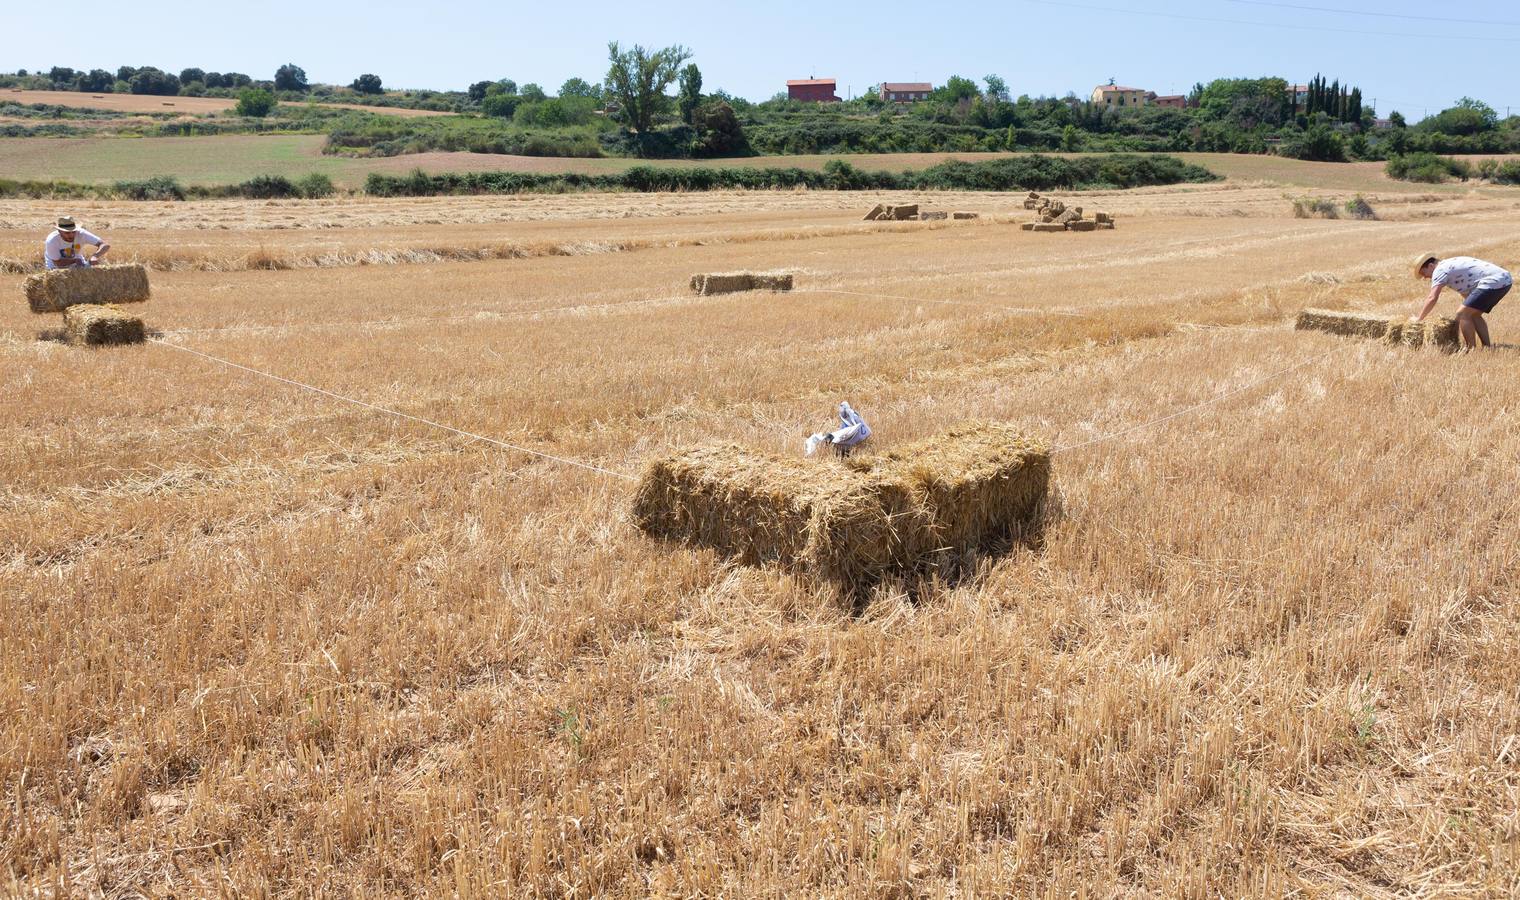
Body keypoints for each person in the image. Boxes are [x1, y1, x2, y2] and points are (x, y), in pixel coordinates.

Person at [1411, 252, 1512, 350]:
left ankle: (1470, 349)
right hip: (1505, 280)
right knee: (1474, 314)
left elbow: (1432, 297)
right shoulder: (1449, 265)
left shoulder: (1439, 270)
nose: (1424, 277)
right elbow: (1467, 294)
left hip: (1494, 281)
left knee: (1462, 313)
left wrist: (1419, 318)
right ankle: (1487, 347)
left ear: (1430, 266)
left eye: (1423, 273)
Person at [805, 402, 871, 458]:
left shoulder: (852, 417)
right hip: (852, 440)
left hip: (852, 440)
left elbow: (851, 429)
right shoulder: (850, 418)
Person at [44, 216, 110, 270]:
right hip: (56, 268)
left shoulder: (81, 233)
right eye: (67, 233)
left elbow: (105, 245)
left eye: (73, 231)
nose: (71, 235)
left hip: (79, 264)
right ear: (59, 231)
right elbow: (57, 263)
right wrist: (74, 261)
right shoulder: (52, 240)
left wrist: (95, 256)